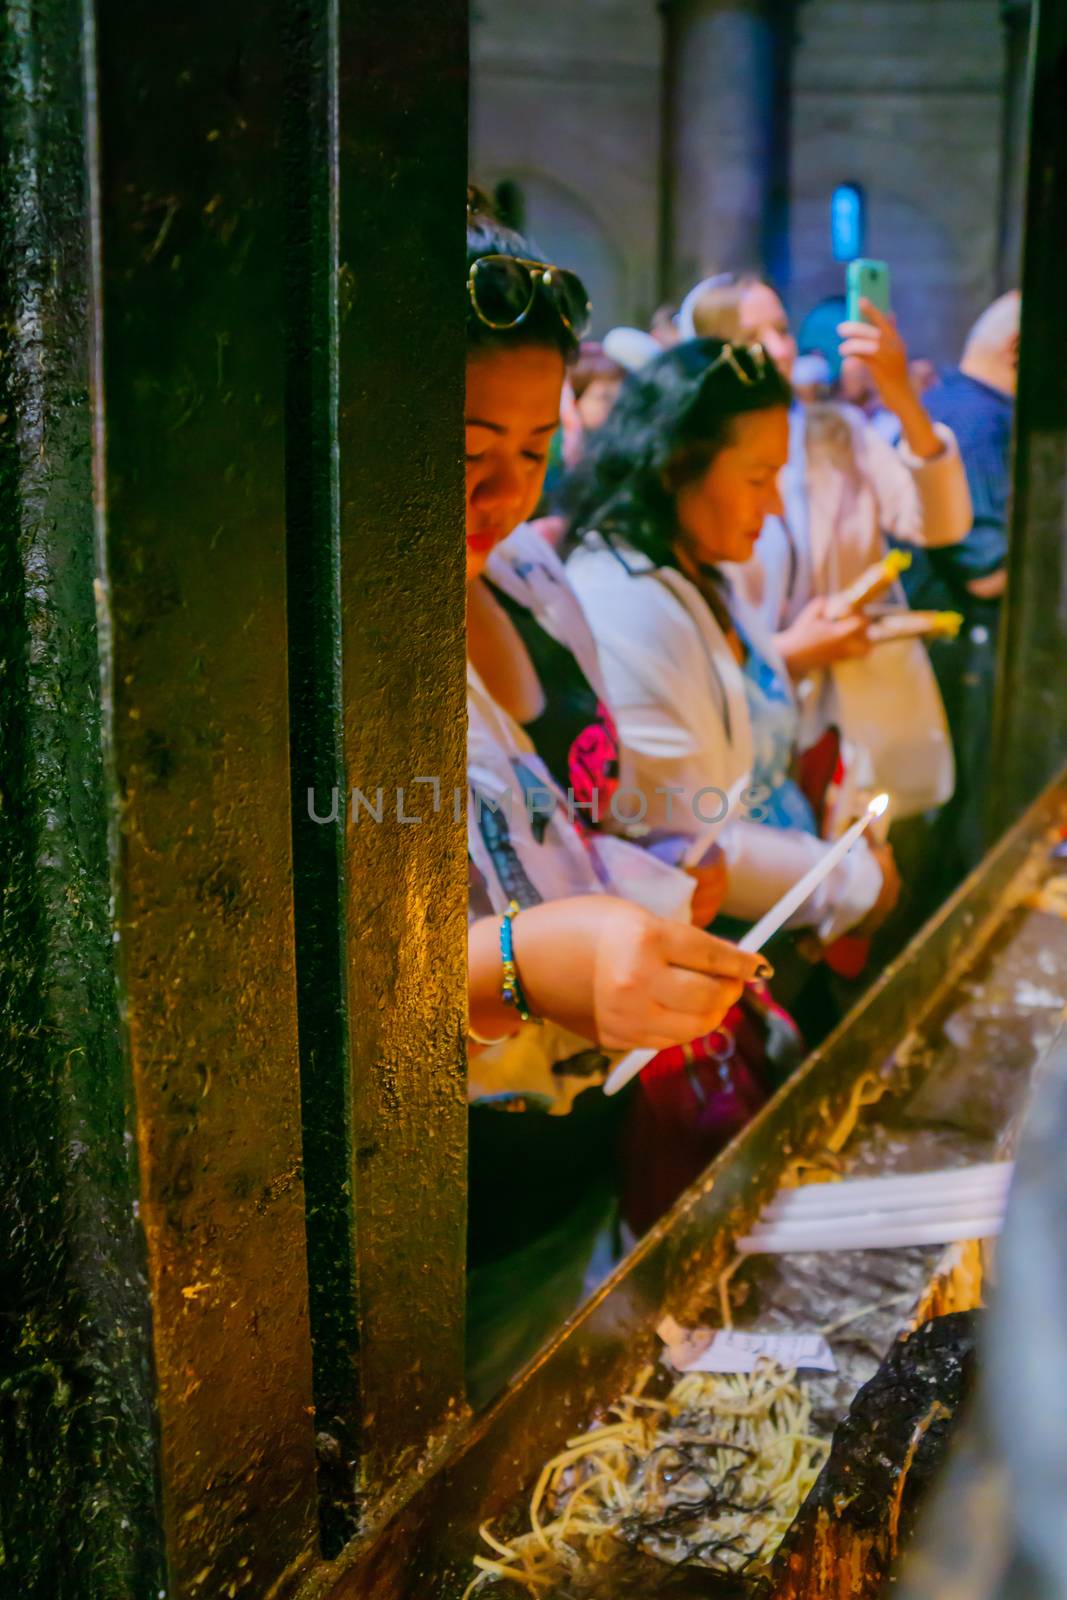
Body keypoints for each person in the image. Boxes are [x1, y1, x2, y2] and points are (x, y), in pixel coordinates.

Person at [462, 194, 762, 1402]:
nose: (505, 496)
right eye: (467, 452)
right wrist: (526, 956)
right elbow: (276, 979)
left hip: (575, 1156)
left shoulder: (529, 571)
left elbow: (592, 800)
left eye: (532, 454)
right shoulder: (304, 634)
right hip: (438, 1203)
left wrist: (659, 863)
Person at [564, 339, 903, 1025]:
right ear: (673, 465)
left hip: (777, 918)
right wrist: (855, 883)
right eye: (756, 479)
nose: (774, 505)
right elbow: (689, 836)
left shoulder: (692, 566)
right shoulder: (620, 596)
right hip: (710, 951)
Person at [681, 272, 974, 838]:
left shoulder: (836, 432)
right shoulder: (697, 463)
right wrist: (786, 654)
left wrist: (901, 398)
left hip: (854, 724)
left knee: (869, 885)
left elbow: (941, 524)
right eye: (754, 335)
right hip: (752, 728)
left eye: (783, 329)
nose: (783, 348)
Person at [905, 290, 1020, 891]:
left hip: (956, 652)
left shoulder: (956, 404)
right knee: (957, 827)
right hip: (957, 651)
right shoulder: (979, 421)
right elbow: (987, 569)